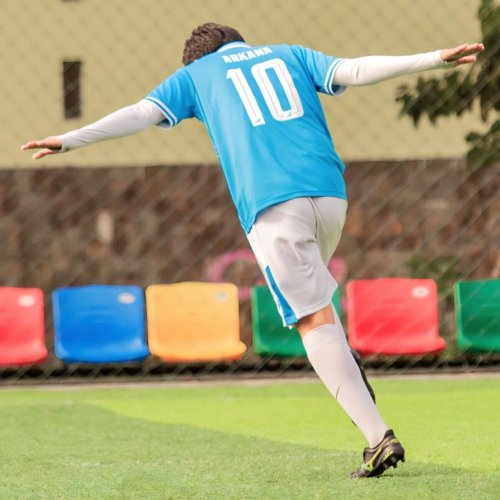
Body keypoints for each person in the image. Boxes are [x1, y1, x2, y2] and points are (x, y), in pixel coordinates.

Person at [21, 23, 484, 478]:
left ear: (200, 56)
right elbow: (354, 70)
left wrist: (69, 139)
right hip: (330, 197)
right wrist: (433, 58)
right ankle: (345, 364)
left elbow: (142, 113)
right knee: (319, 310)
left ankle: (377, 436)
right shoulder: (290, 53)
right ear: (239, 43)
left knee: (311, 321)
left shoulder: (197, 74)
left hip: (274, 206)